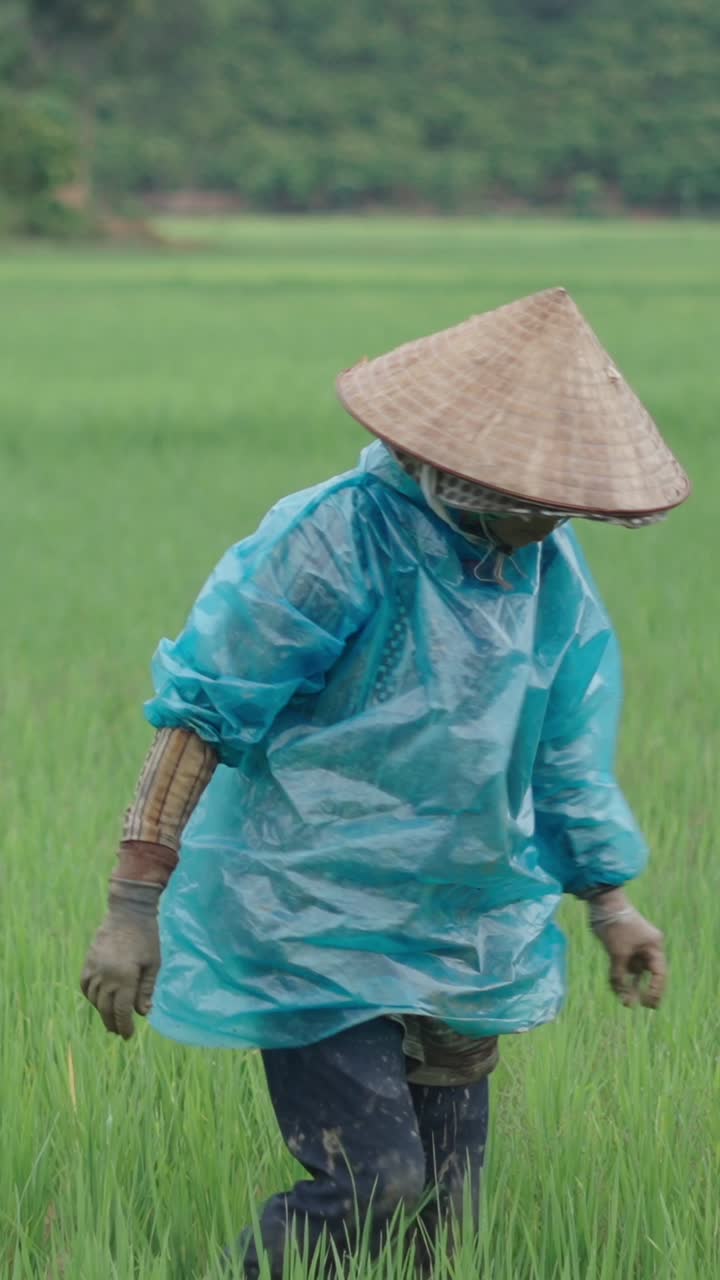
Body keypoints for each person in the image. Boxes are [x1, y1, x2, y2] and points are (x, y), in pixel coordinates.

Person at [81, 287, 690, 1276]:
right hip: (309, 915)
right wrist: (130, 904)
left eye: (561, 500)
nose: (547, 520)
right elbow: (204, 710)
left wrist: (611, 901)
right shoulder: (333, 538)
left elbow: (563, 745)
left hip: (463, 919)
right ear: (454, 460)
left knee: (444, 1224)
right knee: (374, 1179)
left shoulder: (545, 570)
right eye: (527, 495)